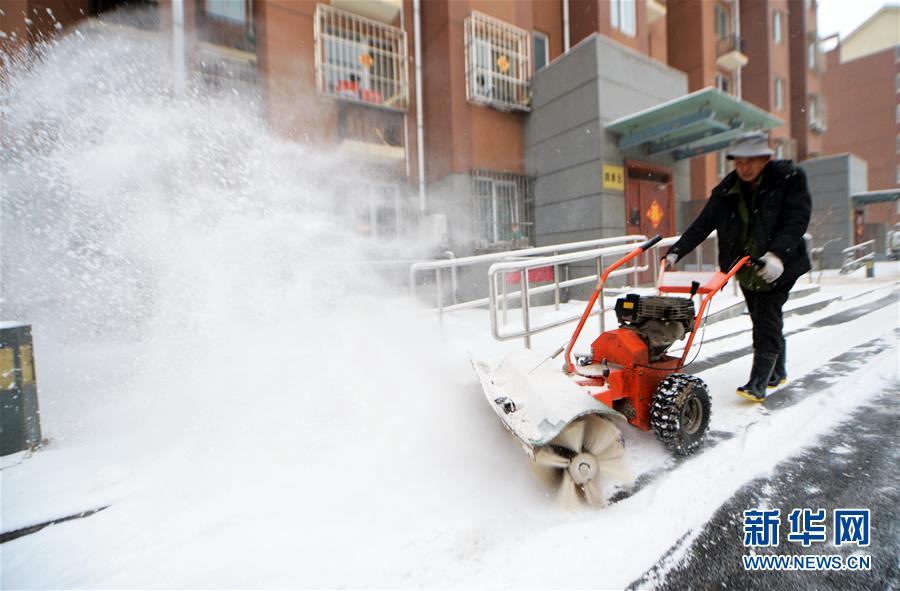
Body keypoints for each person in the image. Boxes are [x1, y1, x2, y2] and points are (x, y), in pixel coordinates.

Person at [664, 132, 811, 402]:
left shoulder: (788, 179)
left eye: (750, 161)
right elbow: (703, 224)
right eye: (739, 162)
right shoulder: (726, 190)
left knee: (766, 316)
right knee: (762, 316)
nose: (744, 168)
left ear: (766, 159)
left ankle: (758, 382)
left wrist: (777, 255)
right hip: (743, 267)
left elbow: (796, 219)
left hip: (780, 265)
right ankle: (777, 371)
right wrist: (676, 251)